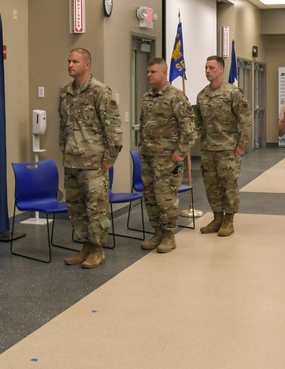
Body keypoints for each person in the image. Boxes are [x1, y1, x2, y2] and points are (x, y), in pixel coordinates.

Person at [57, 48, 123, 269]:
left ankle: (97, 250)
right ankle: (85, 246)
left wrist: (109, 159)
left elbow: (114, 129)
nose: (70, 65)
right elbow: (63, 126)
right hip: (72, 162)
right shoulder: (65, 93)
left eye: (75, 61)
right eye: (69, 61)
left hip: (94, 163)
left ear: (87, 65)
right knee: (76, 208)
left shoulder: (100, 92)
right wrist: (63, 150)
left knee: (96, 208)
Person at [138, 57, 196, 254]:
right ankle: (157, 232)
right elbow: (143, 125)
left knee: (166, 198)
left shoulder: (176, 97)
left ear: (164, 73)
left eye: (153, 72)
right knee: (150, 197)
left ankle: (169, 236)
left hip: (167, 159)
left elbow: (189, 128)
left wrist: (181, 152)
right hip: (148, 157)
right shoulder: (147, 98)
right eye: (148, 71)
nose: (149, 75)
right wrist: (141, 147)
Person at [195, 56, 252, 237]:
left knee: (228, 185)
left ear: (221, 70)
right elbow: (198, 122)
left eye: (211, 68)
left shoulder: (233, 93)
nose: (207, 71)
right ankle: (217, 217)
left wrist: (241, 144)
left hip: (228, 148)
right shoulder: (202, 95)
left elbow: (245, 119)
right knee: (211, 186)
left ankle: (229, 220)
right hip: (208, 149)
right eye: (206, 68)